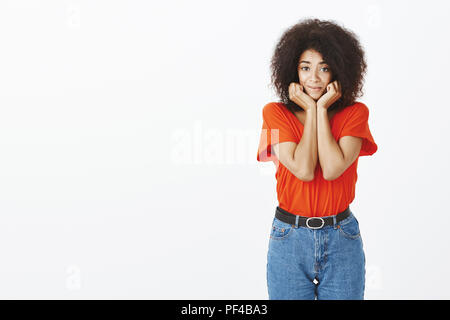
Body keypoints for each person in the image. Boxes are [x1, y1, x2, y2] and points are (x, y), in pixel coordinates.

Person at [256, 18, 378, 300]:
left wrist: (319, 110)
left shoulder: (355, 113)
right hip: (289, 238)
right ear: (292, 70)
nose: (313, 78)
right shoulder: (275, 113)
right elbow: (304, 169)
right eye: (305, 68)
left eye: (324, 68)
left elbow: (334, 168)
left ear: (338, 70)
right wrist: (312, 111)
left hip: (341, 237)